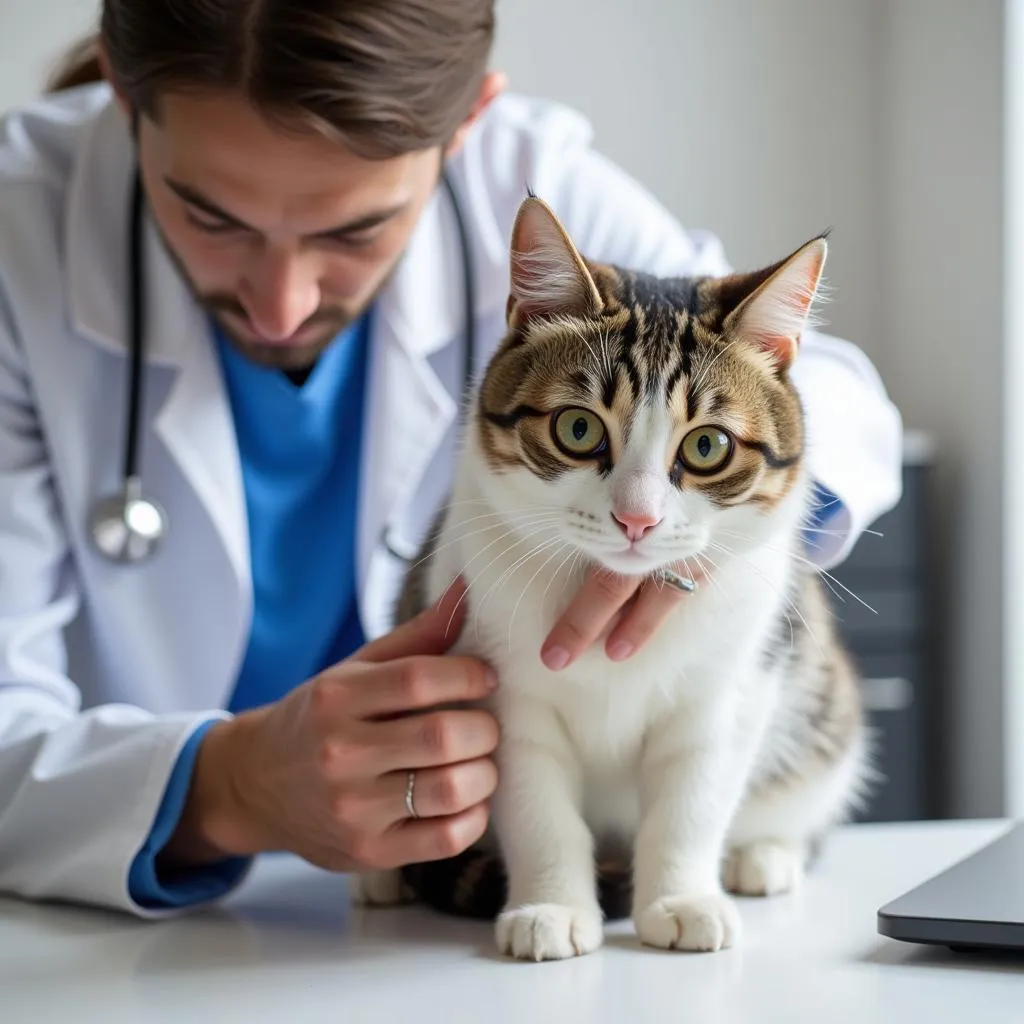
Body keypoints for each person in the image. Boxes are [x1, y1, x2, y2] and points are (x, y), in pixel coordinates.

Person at [0, 0, 902, 917]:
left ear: (467, 121)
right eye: (209, 215)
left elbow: (829, 388)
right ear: (121, 94)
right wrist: (228, 790)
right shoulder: (18, 226)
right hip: (130, 917)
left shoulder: (527, 178)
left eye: (352, 231)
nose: (281, 305)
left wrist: (707, 528)